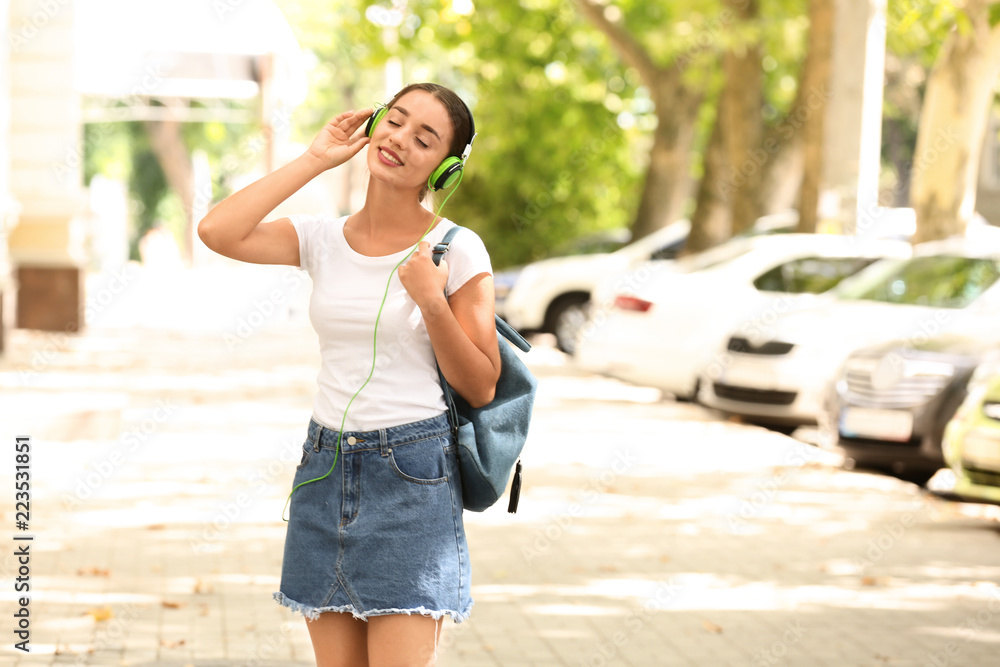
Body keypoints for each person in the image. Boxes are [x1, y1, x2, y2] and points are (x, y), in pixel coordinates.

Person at [197, 82, 501, 667]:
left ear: (445, 170)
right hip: (324, 470)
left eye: (425, 138)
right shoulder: (320, 238)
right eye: (396, 120)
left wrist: (433, 303)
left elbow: (481, 383)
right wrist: (316, 158)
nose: (399, 141)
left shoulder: (455, 250)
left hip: (412, 478)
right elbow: (218, 232)